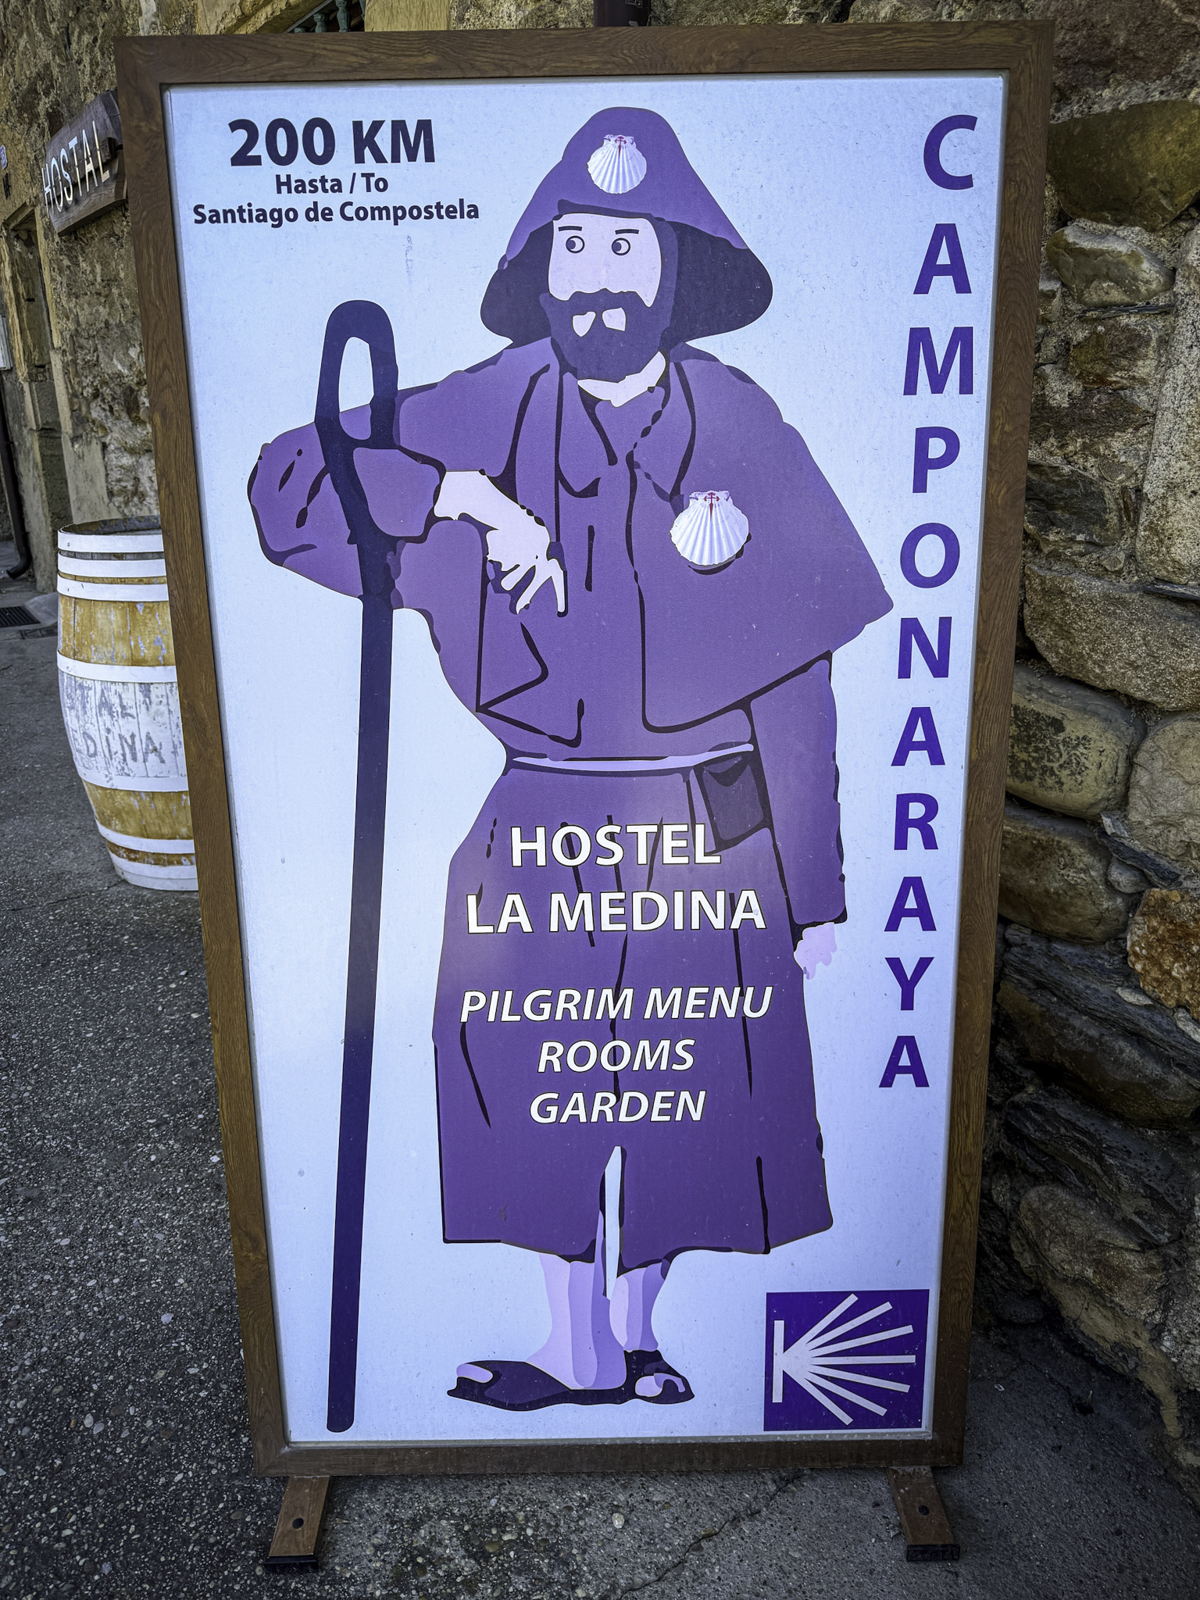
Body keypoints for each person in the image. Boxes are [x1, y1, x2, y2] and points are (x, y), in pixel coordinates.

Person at [249, 108, 891, 1412]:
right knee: (528, 1078)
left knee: (695, 1082)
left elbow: (798, 674)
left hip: (717, 811)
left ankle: (637, 1342)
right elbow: (288, 486)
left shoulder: (741, 421)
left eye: (628, 247)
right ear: (542, 264)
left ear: (675, 267)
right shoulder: (487, 407)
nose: (600, 276)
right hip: (543, 807)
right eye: (577, 245)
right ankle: (573, 1348)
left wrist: (812, 887)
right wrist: (457, 497)